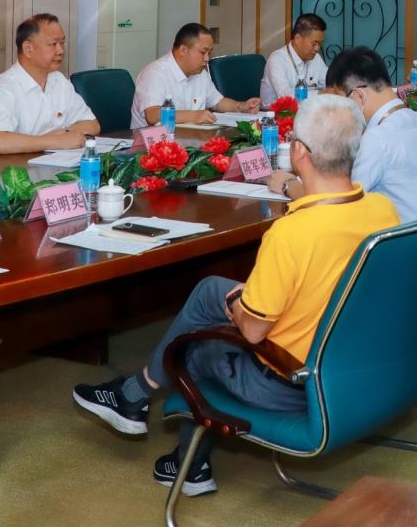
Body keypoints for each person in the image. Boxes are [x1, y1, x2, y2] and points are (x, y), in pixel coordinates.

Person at [73, 95, 398, 495]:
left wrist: (237, 304)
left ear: (298, 151)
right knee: (211, 289)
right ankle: (132, 397)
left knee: (191, 345)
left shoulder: (292, 234)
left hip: (291, 383)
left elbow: (254, 331)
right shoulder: (382, 210)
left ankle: (189, 463)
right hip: (354, 364)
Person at [269, 47, 417, 223]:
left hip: (402, 246)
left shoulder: (378, 139)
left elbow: (337, 205)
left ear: (358, 96)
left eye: (337, 101)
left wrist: (288, 184)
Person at [0, 14, 101, 153]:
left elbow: (92, 124)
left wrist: (64, 134)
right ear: (28, 49)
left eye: (62, 43)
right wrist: (53, 141)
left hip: (54, 162)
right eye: (53, 44)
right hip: (14, 166)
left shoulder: (59, 81)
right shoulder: (2, 89)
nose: (61, 51)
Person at [131, 23, 261, 129]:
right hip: (151, 147)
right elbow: (152, 115)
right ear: (183, 50)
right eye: (203, 52)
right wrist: (193, 116)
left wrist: (241, 106)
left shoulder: (200, 73)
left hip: (189, 141)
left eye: (209, 53)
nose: (207, 59)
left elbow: (218, 103)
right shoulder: (155, 74)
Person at [260, 13, 328, 103]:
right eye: (314, 44)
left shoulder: (316, 58)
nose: (317, 48)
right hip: (276, 111)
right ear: (297, 38)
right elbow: (286, 96)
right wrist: (321, 93)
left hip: (306, 110)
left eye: (320, 44)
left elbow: (330, 83)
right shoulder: (277, 59)